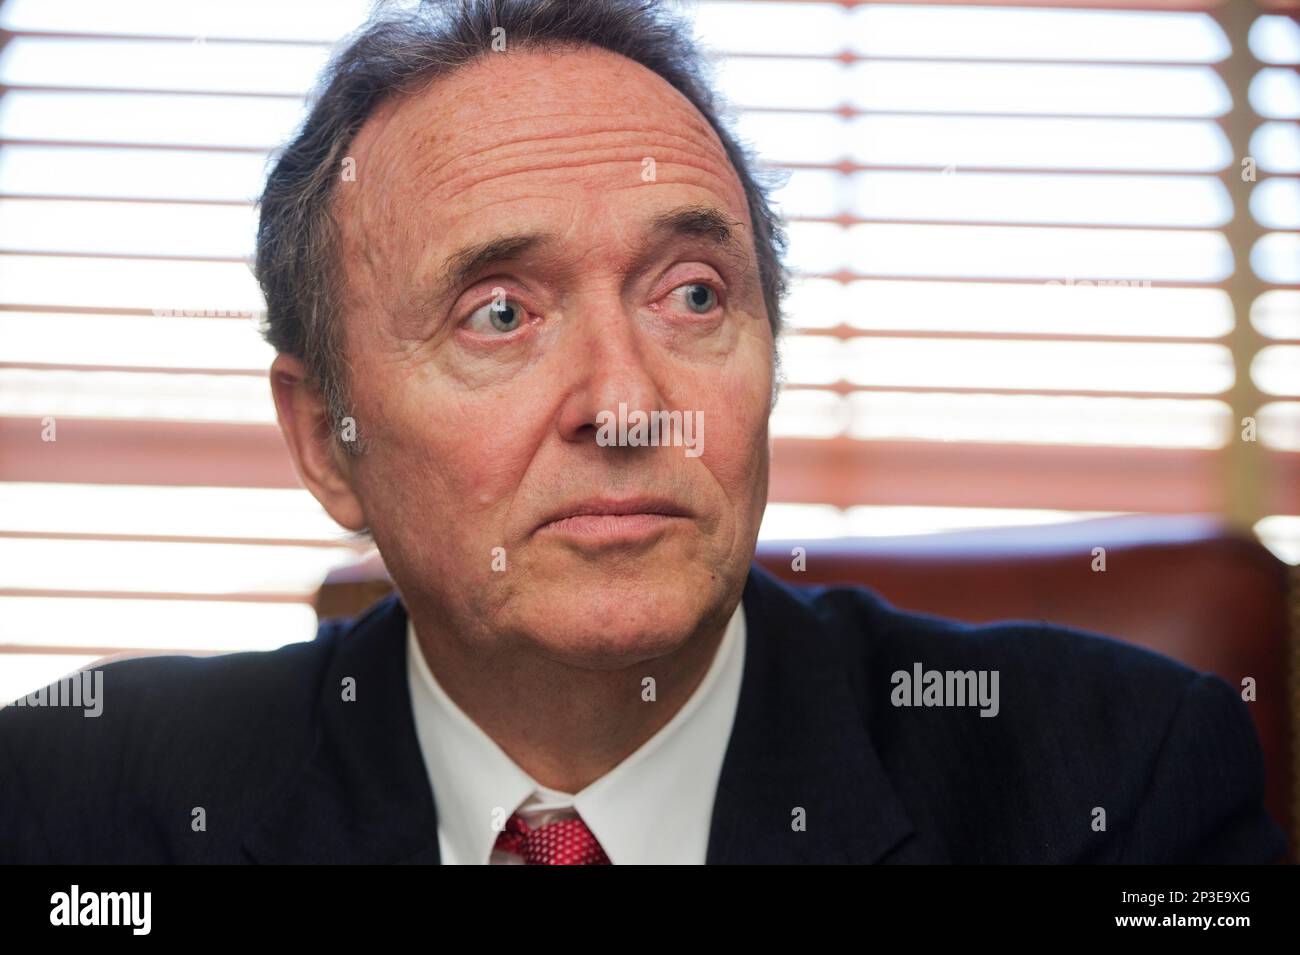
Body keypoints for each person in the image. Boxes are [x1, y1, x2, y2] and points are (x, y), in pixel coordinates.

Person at [0, 0, 1286, 864]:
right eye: (498, 311)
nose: (627, 404)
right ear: (327, 442)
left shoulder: (1119, 787)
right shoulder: (79, 805)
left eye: (691, 295)